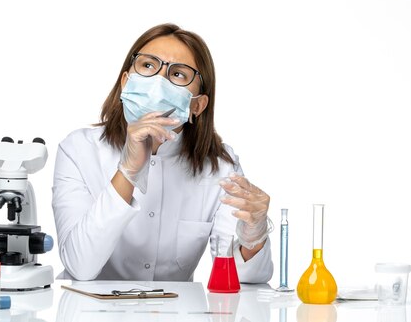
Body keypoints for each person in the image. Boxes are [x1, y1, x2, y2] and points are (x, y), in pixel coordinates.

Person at [52, 23, 273, 282]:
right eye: (147, 66)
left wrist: (253, 234)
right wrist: (128, 171)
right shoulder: (79, 150)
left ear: (198, 105)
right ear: (126, 82)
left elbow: (238, 281)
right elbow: (80, 266)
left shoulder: (219, 167)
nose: (158, 81)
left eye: (178, 74)